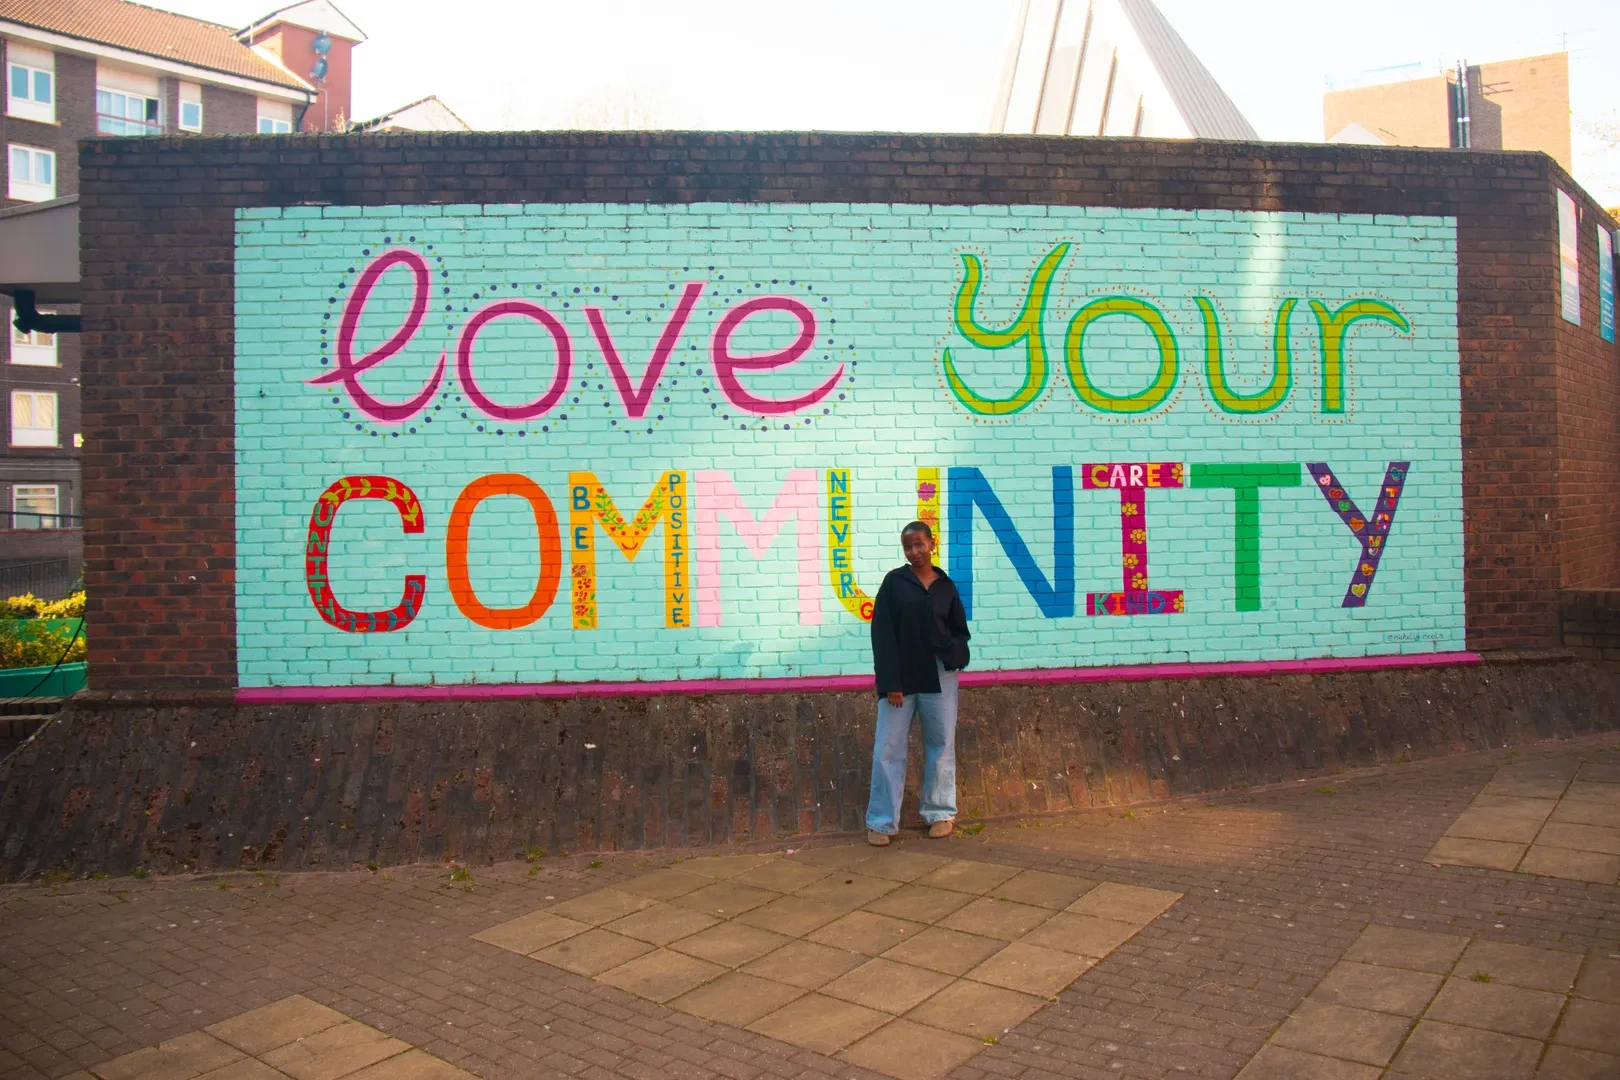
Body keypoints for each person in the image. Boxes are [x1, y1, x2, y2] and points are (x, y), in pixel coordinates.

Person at [865, 520, 970, 846]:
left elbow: (959, 630)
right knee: (888, 748)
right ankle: (882, 822)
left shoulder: (945, 586)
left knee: (941, 745)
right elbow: (882, 634)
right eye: (908, 547)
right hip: (902, 677)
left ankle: (940, 813)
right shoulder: (894, 583)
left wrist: (953, 654)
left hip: (940, 675)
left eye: (919, 544)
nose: (914, 551)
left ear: (931, 543)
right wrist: (891, 682)